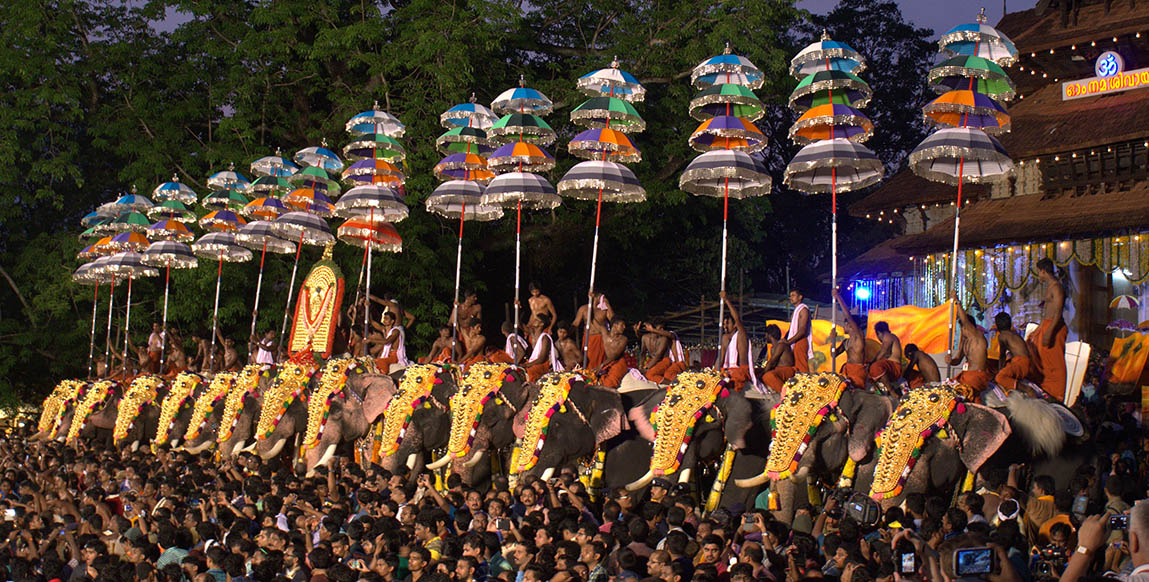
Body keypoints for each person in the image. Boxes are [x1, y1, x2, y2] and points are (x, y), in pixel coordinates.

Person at [1030, 258, 1068, 402]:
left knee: (1054, 361)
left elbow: (1058, 312)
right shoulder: (1050, 286)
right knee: (1041, 358)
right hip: (1047, 324)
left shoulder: (1057, 287)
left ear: (1043, 271)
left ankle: (1057, 394)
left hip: (1055, 327)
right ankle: (1044, 390)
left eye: (1039, 272)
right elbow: (1047, 311)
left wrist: (1049, 332)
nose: (1039, 275)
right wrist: (1039, 329)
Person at [948, 294, 992, 397]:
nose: (962, 331)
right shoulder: (965, 341)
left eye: (963, 327)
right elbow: (958, 360)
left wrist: (957, 301)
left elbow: (965, 321)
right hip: (966, 375)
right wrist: (950, 361)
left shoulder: (977, 337)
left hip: (976, 376)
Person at [830, 289, 868, 389]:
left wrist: (838, 297)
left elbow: (848, 315)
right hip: (848, 371)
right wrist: (833, 340)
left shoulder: (858, 336)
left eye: (845, 324)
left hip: (857, 371)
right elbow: (833, 354)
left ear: (850, 325)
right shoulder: (846, 342)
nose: (844, 326)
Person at [993, 312, 1034, 395]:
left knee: (999, 378)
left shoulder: (1002, 336)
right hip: (1026, 362)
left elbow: (1002, 356)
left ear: (997, 325)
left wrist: (1000, 371)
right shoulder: (1015, 333)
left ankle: (1027, 389)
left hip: (1021, 363)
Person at [718, 291, 752, 390]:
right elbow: (719, 360)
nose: (725, 327)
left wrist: (726, 300)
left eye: (727, 323)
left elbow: (737, 319)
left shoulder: (741, 334)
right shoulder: (725, 338)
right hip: (727, 370)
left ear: (735, 325)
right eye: (724, 324)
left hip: (740, 371)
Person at [639, 320, 688, 385]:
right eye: (660, 328)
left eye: (662, 328)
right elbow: (643, 353)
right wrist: (641, 366)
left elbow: (658, 356)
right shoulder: (648, 337)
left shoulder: (668, 334)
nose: (661, 330)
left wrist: (646, 368)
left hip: (677, 363)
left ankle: (675, 385)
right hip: (665, 362)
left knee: (667, 375)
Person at [573, 292, 613, 369]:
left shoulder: (604, 310)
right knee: (587, 361)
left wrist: (607, 304)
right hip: (588, 338)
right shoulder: (584, 309)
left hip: (600, 338)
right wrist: (566, 333)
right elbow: (576, 323)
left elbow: (613, 320)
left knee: (599, 361)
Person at [524, 313, 562, 382]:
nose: (534, 321)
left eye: (536, 320)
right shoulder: (532, 334)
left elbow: (542, 358)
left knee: (531, 370)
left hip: (543, 364)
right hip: (534, 362)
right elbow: (520, 325)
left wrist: (527, 365)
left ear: (542, 324)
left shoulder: (545, 338)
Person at [760, 324, 796, 393]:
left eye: (766, 335)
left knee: (768, 376)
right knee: (756, 371)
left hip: (787, 371)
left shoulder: (781, 345)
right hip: (778, 370)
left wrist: (763, 373)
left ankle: (786, 394)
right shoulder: (772, 348)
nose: (765, 337)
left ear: (770, 335)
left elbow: (772, 362)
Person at [870, 321, 903, 390]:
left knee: (875, 367)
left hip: (894, 366)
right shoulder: (891, 337)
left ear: (878, 332)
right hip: (892, 366)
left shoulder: (887, 336)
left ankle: (891, 391)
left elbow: (883, 352)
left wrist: (872, 363)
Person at [785, 290, 813, 373]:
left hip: (800, 341)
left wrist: (788, 342)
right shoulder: (795, 311)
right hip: (795, 341)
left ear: (800, 297)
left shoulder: (803, 310)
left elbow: (802, 330)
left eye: (793, 295)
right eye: (790, 296)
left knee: (802, 368)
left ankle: (804, 384)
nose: (791, 298)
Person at [598, 320, 630, 389]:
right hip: (606, 363)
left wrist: (602, 365)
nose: (624, 327)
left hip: (618, 363)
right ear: (615, 325)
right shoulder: (605, 334)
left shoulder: (623, 339)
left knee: (609, 384)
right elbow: (597, 321)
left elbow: (615, 355)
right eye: (622, 325)